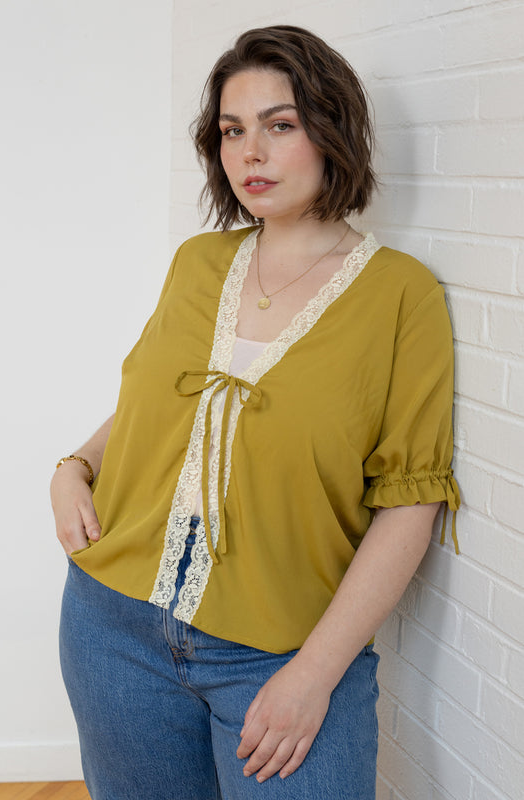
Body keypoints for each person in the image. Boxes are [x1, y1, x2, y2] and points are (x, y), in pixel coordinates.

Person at [52, 25, 460, 800]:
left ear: (331, 130)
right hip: (114, 628)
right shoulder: (197, 263)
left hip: (283, 650)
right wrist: (73, 467)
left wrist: (313, 674)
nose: (250, 153)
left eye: (280, 125)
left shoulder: (398, 295)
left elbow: (412, 499)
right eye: (232, 131)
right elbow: (151, 410)